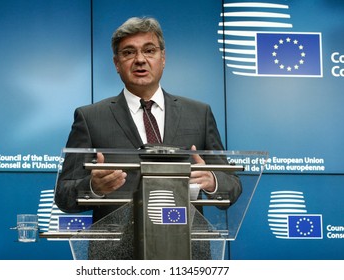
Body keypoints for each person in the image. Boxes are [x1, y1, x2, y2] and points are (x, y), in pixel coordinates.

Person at [55, 17, 242, 259]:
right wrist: (93, 187)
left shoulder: (199, 114)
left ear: (163, 58)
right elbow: (63, 195)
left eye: (149, 50)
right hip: (115, 259)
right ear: (116, 63)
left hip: (187, 254)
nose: (140, 59)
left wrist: (213, 180)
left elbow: (232, 186)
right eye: (128, 52)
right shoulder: (90, 118)